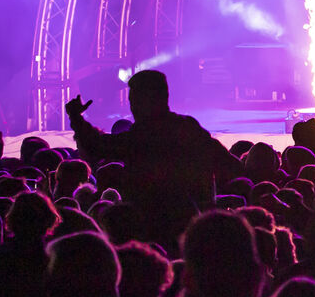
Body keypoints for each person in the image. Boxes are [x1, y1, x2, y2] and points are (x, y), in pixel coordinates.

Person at [65, 70, 238, 254]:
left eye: (133, 101)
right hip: (191, 227)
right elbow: (229, 164)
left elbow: (98, 146)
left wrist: (76, 118)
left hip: (149, 229)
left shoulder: (143, 136)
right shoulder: (188, 128)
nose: (131, 107)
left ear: (145, 100)